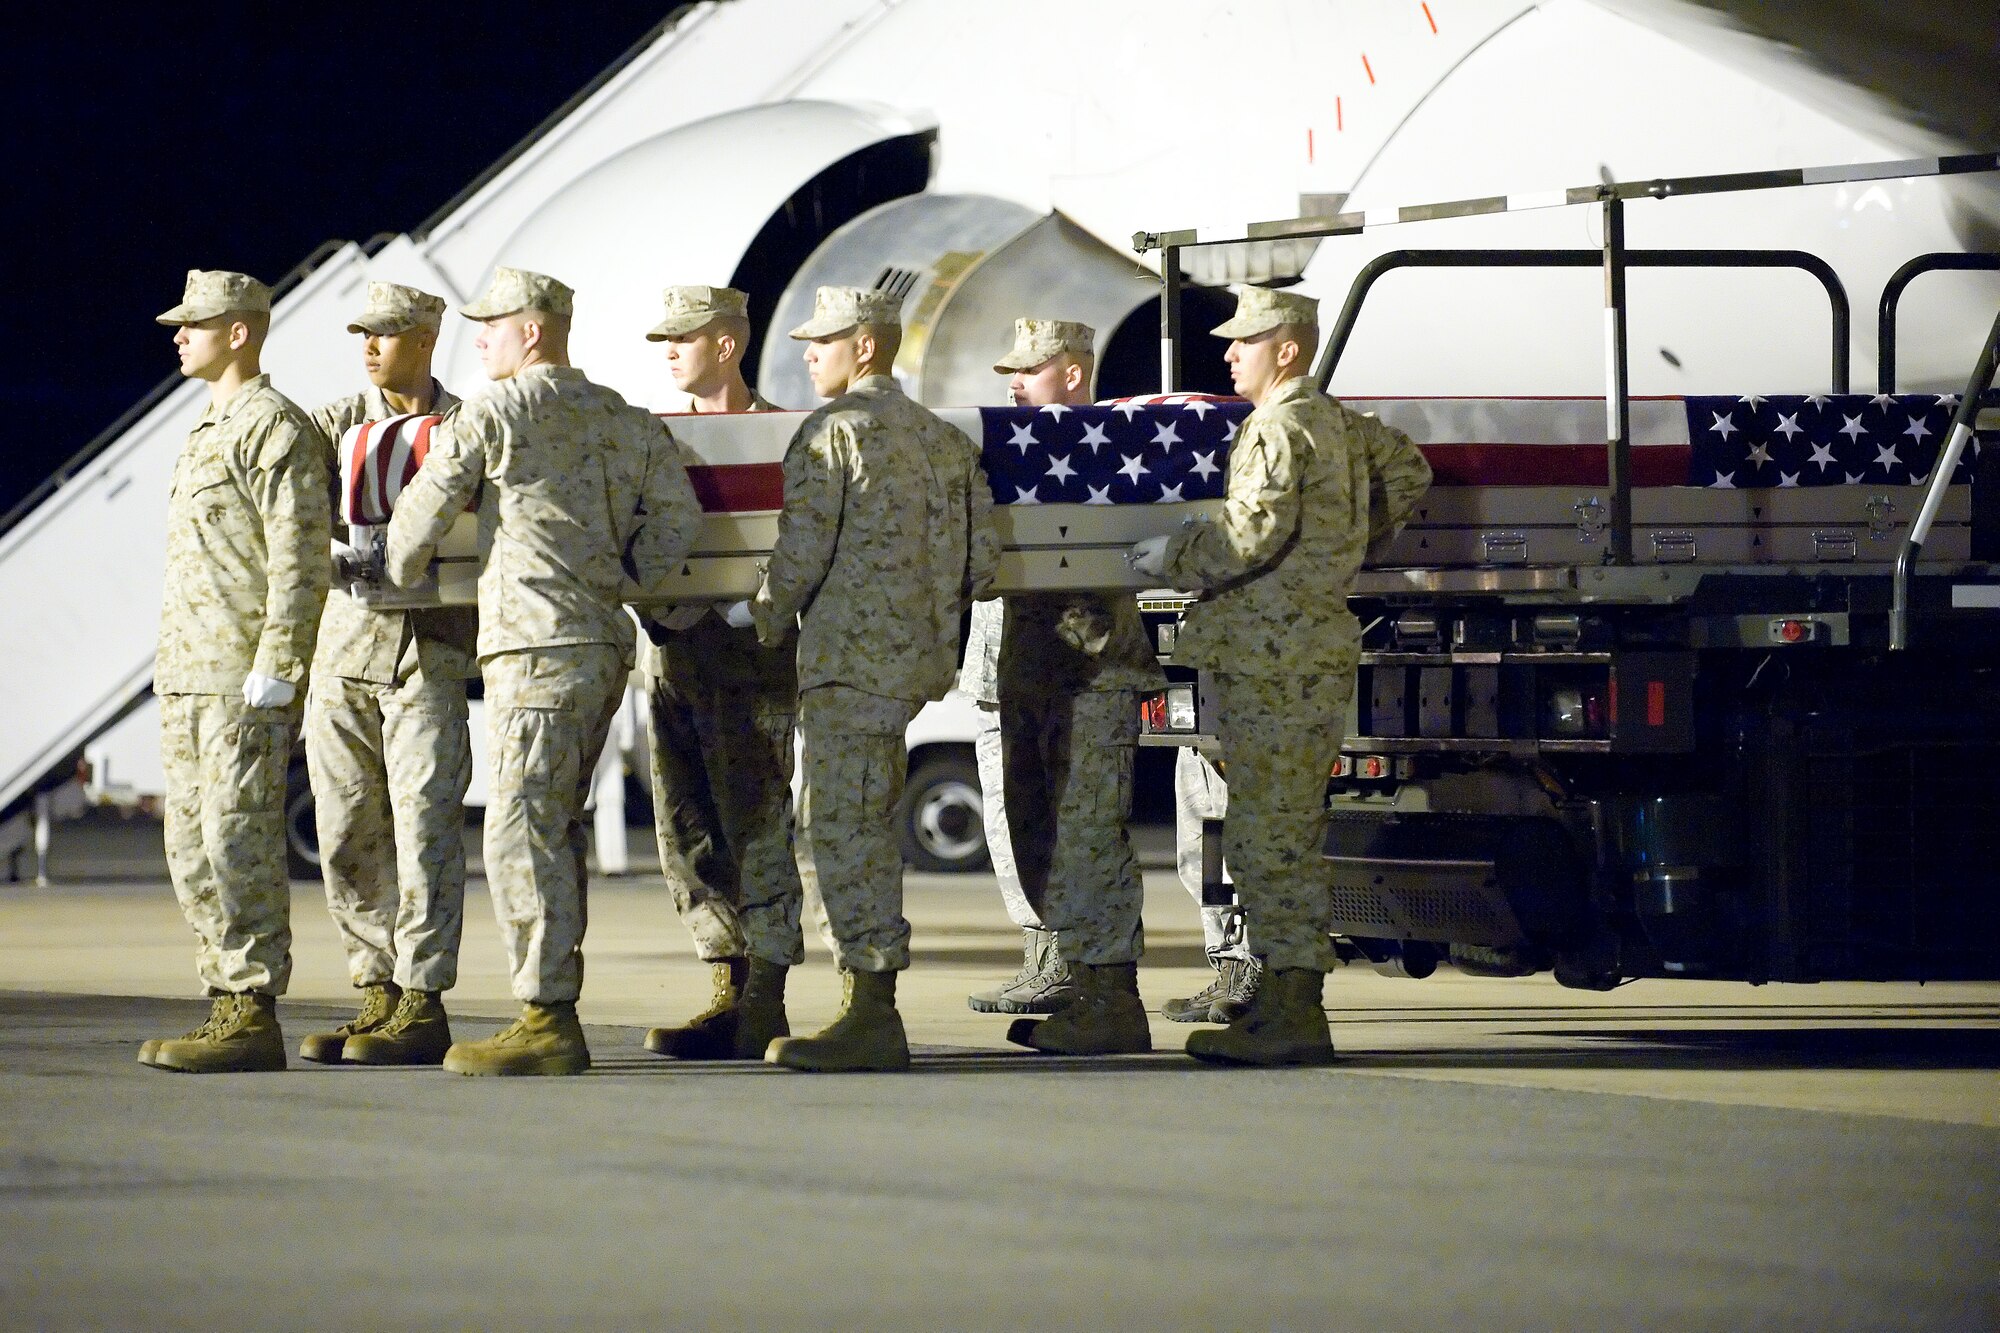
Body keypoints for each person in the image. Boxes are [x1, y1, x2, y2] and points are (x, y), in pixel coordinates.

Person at [386, 266, 701, 1076]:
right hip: (599, 646)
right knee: (555, 824)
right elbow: (678, 519)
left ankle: (547, 1015)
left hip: (533, 648)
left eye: (491, 324)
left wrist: (395, 565)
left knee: (520, 829)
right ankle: (549, 1000)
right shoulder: (624, 417)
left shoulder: (497, 411)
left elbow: (419, 515)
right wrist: (625, 584)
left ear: (532, 330)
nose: (480, 337)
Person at [1129, 285, 1430, 1066]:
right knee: (1282, 830)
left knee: (1269, 840)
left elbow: (1249, 533)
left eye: (1244, 341)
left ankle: (1295, 1006)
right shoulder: (1338, 424)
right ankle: (1282, 997)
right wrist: (1345, 546)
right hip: (1307, 643)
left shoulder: (1279, 423)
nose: (1229, 352)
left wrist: (1173, 557)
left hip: (1273, 654)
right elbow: (1411, 468)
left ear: (1287, 349)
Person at [730, 285, 999, 1072]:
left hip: (848, 665)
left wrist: (763, 618)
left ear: (867, 347)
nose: (808, 352)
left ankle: (872, 1007)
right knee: (865, 822)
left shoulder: (835, 433)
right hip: (913, 665)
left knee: (843, 830)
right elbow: (983, 569)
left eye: (824, 341)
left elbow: (803, 551)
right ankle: (866, 998)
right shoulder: (947, 443)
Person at [140, 269, 330, 1073]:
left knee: (238, 836)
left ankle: (253, 1010)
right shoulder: (206, 428)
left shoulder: (273, 427)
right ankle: (225, 1000)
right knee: (190, 842)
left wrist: (282, 662)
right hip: (188, 673)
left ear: (241, 331)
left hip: (238, 675)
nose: (180, 335)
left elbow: (299, 555)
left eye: (196, 323)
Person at [965, 318, 1166, 1056]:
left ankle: (1113, 997)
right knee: (1040, 836)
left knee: (1088, 839)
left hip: (1094, 674)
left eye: (1031, 369)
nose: (1014, 382)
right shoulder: (1013, 456)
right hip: (1030, 675)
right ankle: (1083, 985)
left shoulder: (1116, 450)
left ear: (1073, 373)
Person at [295, 282, 476, 1067]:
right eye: (363, 332)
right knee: (344, 828)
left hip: (425, 651)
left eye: (387, 333)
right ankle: (375, 987)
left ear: (427, 340)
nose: (370, 345)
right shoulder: (338, 423)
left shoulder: (466, 427)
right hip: (344, 649)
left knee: (426, 827)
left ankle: (423, 999)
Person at [632, 285, 805, 1062]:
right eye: (663, 339)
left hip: (750, 658)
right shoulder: (649, 438)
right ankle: (728, 983)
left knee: (758, 824)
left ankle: (765, 994)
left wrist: (757, 606)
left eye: (684, 337)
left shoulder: (782, 436)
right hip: (669, 651)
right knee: (687, 826)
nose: (668, 349)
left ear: (726, 345)